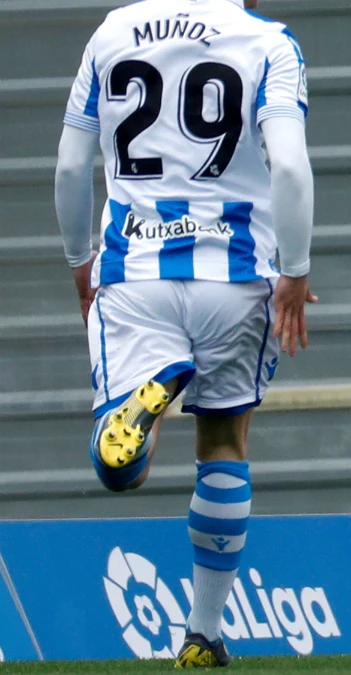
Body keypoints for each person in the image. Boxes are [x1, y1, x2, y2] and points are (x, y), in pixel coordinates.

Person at [55, 0, 314, 666]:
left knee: (122, 472)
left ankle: (144, 398)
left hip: (134, 271)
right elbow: (287, 166)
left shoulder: (111, 32)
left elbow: (68, 167)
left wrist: (80, 262)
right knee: (224, 439)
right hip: (234, 276)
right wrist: (295, 269)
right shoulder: (268, 42)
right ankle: (202, 633)